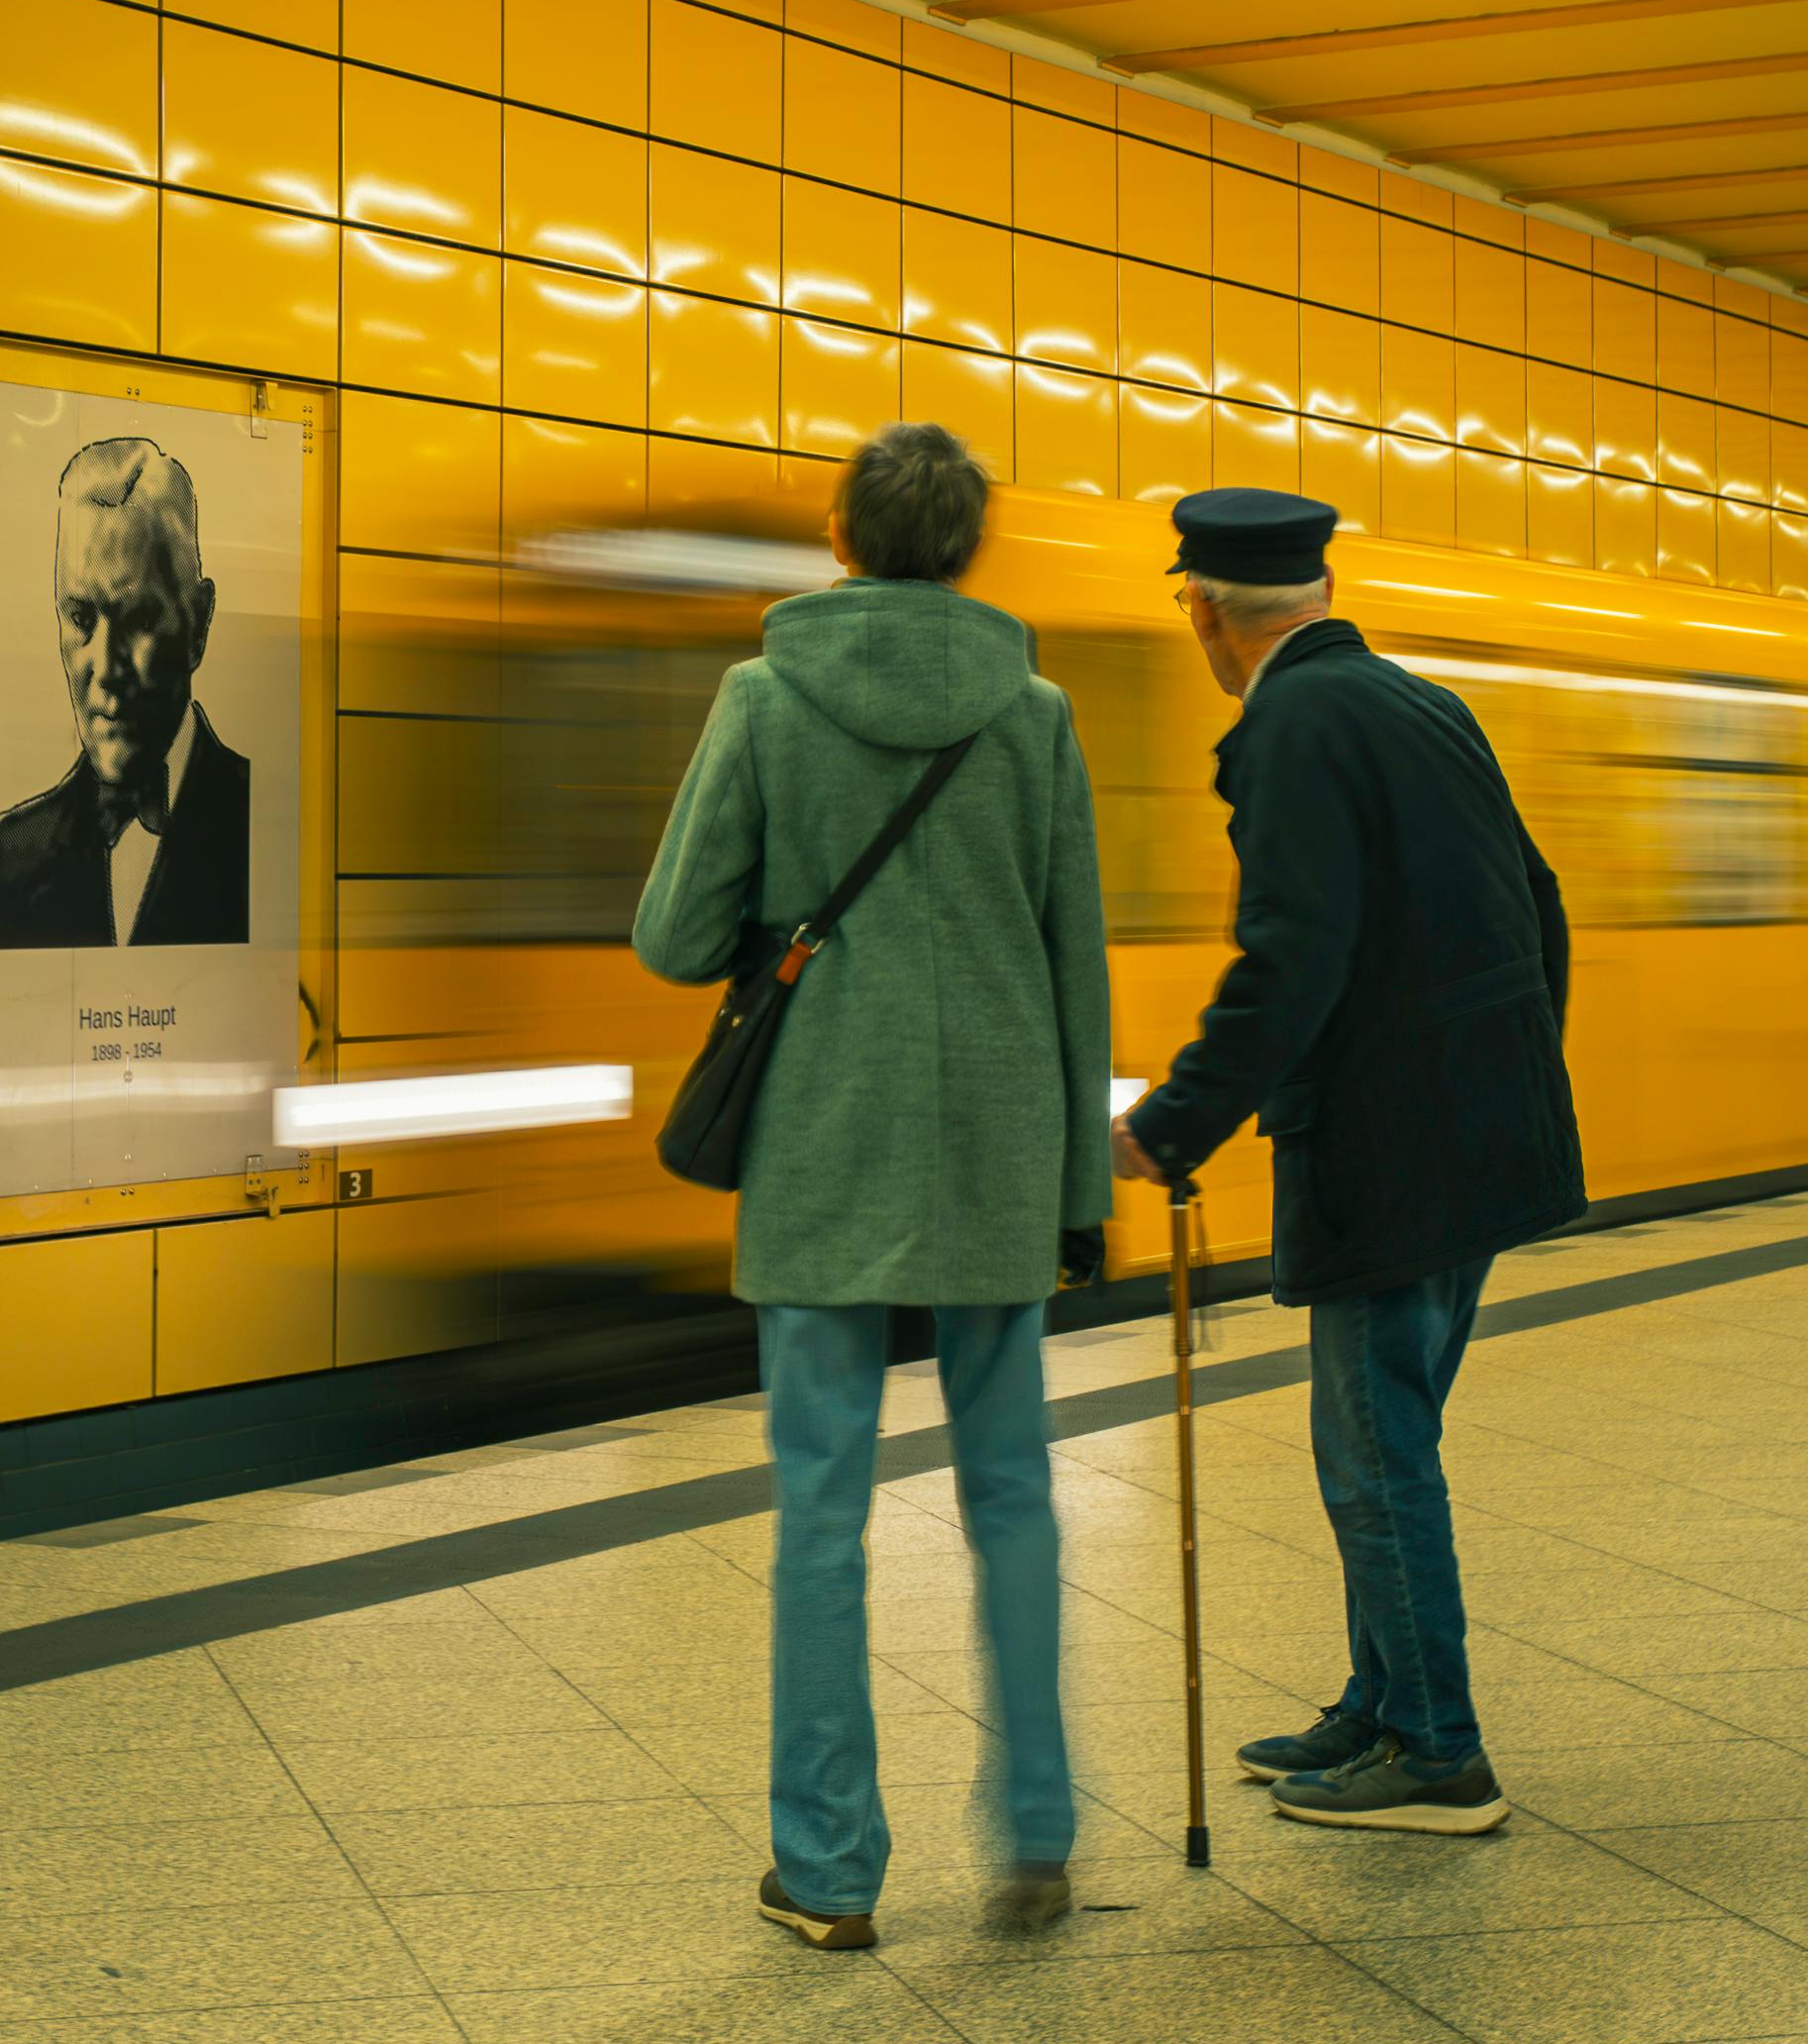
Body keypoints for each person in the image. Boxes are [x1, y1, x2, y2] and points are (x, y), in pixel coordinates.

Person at [634, 422, 1114, 1950]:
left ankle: (828, 1869)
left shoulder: (763, 696)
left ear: (838, 537)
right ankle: (1034, 1830)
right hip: (994, 1141)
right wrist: (1074, 1183)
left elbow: (673, 931)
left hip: (824, 1143)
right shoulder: (1033, 711)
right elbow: (1072, 958)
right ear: (970, 546)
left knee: (821, 1513)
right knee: (1016, 1497)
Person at [1114, 486, 1582, 1838]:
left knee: (1373, 1452)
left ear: (1200, 605)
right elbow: (1535, 899)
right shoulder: (1419, 702)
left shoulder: (1290, 724)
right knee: (1389, 1431)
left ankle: (1436, 1747)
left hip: (1390, 1145)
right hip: (1473, 1128)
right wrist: (1506, 1074)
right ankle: (1380, 1700)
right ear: (1313, 590)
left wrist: (1177, 1114)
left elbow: (1292, 952)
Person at [0, 438, 250, 950]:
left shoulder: (257, 825)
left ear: (197, 625)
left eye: (136, 618)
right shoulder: (13, 855)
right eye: (81, 618)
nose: (105, 669)